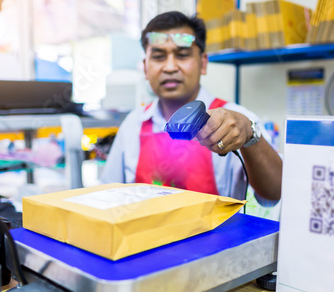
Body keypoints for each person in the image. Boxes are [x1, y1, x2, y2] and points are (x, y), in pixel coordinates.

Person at [100, 11, 282, 204]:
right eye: (159, 56)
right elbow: (108, 195)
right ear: (145, 67)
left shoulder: (235, 120)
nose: (170, 67)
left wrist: (250, 136)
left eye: (182, 55)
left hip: (215, 235)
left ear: (203, 63)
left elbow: (274, 192)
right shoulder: (133, 124)